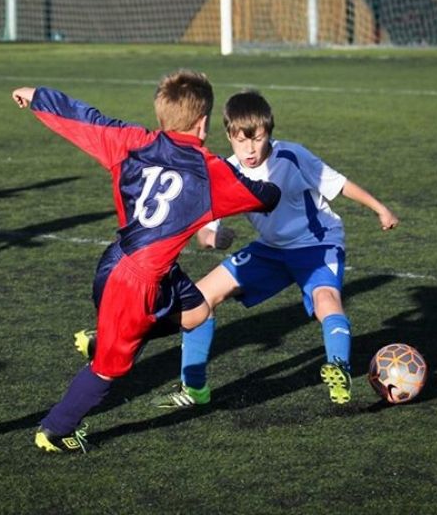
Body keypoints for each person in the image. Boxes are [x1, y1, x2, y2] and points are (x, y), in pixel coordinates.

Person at [12, 70, 280, 454]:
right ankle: (55, 430)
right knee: (109, 369)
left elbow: (84, 118)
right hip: (134, 285)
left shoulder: (132, 141)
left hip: (123, 263)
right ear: (203, 122)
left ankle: (106, 336)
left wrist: (38, 95)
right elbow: (265, 197)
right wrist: (268, 174)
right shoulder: (210, 171)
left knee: (197, 313)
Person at [149, 89, 398, 408]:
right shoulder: (225, 171)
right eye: (242, 140)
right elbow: (205, 228)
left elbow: (339, 184)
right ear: (229, 135)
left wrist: (380, 209)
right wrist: (213, 237)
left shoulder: (292, 156)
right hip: (271, 249)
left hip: (317, 244)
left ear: (269, 133)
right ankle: (194, 388)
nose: (250, 149)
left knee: (325, 299)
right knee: (199, 298)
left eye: (258, 139)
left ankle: (338, 367)